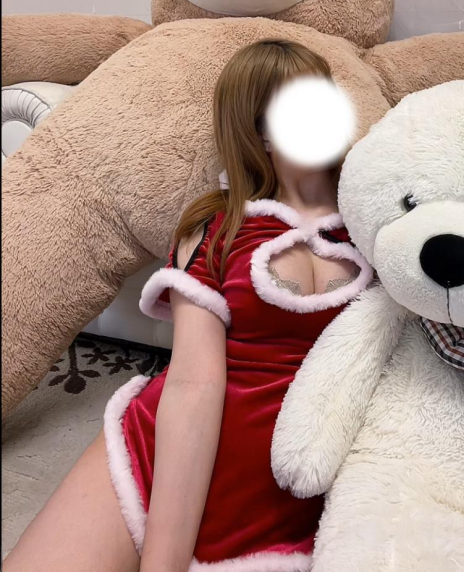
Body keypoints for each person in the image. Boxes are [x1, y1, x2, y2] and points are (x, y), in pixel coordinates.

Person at [5, 39, 373, 572]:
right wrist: (164, 561)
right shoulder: (216, 227)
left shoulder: (377, 214)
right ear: (261, 132)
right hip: (167, 449)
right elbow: (193, 384)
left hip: (316, 468)